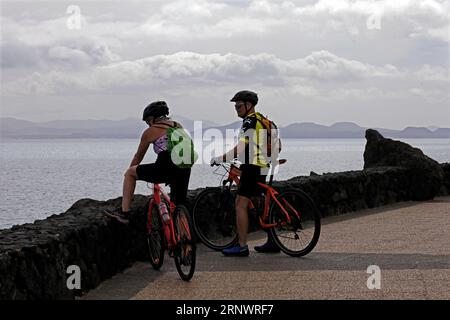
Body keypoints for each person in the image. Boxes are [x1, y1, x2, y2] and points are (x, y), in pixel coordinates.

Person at [211, 90, 282, 256]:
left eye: (239, 105)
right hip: (263, 165)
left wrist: (221, 158)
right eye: (235, 106)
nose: (236, 108)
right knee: (259, 203)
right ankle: (273, 241)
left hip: (253, 166)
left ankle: (242, 246)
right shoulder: (263, 120)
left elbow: (241, 148)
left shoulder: (249, 122)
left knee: (240, 204)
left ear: (249, 105)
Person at [105, 101, 194, 224]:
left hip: (165, 166)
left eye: (147, 121)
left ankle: (124, 213)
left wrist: (129, 173)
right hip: (185, 167)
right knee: (178, 205)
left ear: (152, 118)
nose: (147, 124)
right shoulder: (178, 126)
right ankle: (186, 239)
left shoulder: (151, 131)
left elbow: (138, 157)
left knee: (130, 173)